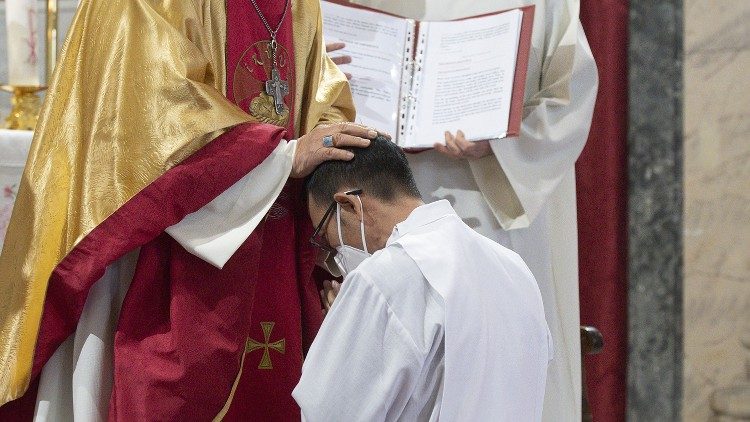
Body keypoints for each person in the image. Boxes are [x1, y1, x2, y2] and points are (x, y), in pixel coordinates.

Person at [0, 0, 385, 420]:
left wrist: (331, 135)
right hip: (160, 242)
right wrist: (283, 159)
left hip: (275, 243)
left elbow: (319, 95)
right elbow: (150, 107)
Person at [338, 1, 598, 419]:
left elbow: (570, 98)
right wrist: (322, 78)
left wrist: (498, 142)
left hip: (491, 205)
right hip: (379, 201)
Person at [292, 136, 552, 421]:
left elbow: (329, 413)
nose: (336, 255)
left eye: (327, 237)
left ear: (350, 205)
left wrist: (347, 322)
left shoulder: (382, 276)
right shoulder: (513, 268)